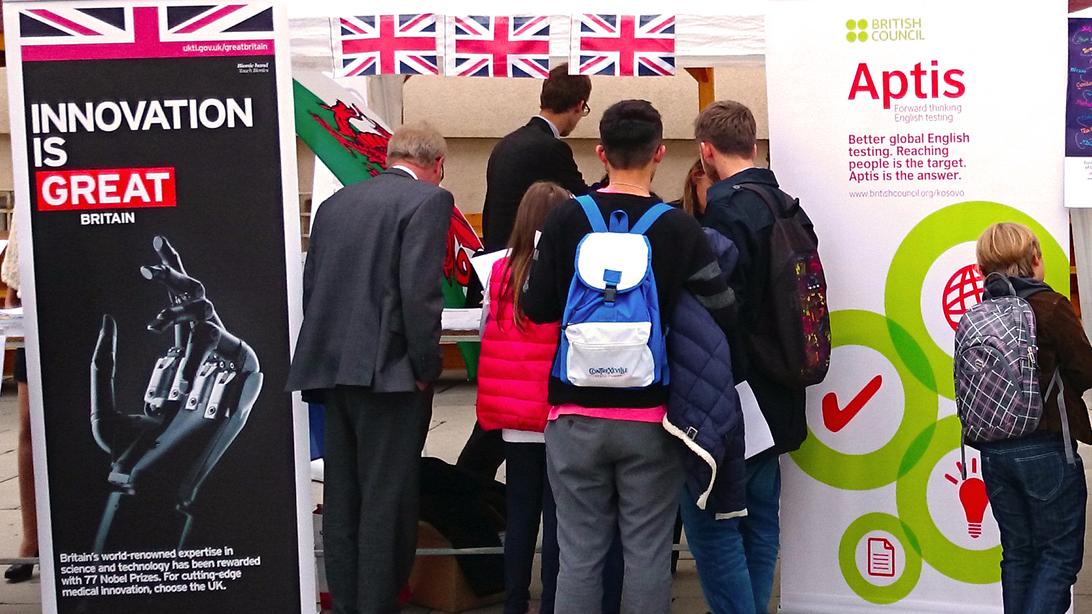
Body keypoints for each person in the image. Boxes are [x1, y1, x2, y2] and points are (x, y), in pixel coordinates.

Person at [523, 100, 736, 613]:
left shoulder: (566, 218)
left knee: (578, 556)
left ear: (601, 153)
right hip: (651, 416)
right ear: (659, 153)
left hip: (573, 413)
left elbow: (535, 306)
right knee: (646, 554)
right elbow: (724, 309)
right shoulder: (678, 228)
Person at [286, 123, 453, 614]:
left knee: (343, 496)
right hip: (391, 375)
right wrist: (426, 367)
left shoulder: (335, 204)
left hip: (334, 369)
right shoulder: (429, 200)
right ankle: (377, 604)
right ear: (438, 164)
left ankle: (347, 603)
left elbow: (314, 287)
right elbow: (420, 295)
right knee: (386, 500)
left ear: (387, 156)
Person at [695, 100, 812, 613]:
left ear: (706, 151)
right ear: (754, 144)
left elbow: (723, 307)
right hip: (784, 380)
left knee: (719, 520)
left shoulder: (725, 209)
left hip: (740, 387)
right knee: (764, 516)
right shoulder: (786, 205)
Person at [459, 63, 595, 485]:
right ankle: (468, 483)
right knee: (523, 390)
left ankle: (469, 481)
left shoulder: (507, 144)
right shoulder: (551, 150)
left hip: (498, 273)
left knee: (504, 389)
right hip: (529, 279)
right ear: (578, 106)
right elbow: (584, 204)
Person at [971, 223, 1092, 614]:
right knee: (1057, 556)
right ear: (1035, 259)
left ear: (982, 268)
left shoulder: (977, 315)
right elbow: (1085, 370)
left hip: (993, 453)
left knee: (1018, 554)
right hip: (1045, 447)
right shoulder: (1050, 306)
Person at [667, 164, 751, 614]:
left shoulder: (684, 254)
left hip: (698, 415)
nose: (716, 195)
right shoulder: (714, 248)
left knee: (713, 529)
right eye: (709, 187)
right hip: (727, 404)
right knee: (744, 524)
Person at [2, 218, 36, 583]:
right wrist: (13, 289)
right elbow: (18, 235)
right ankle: (31, 540)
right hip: (36, 307)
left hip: (85, 296)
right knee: (29, 426)